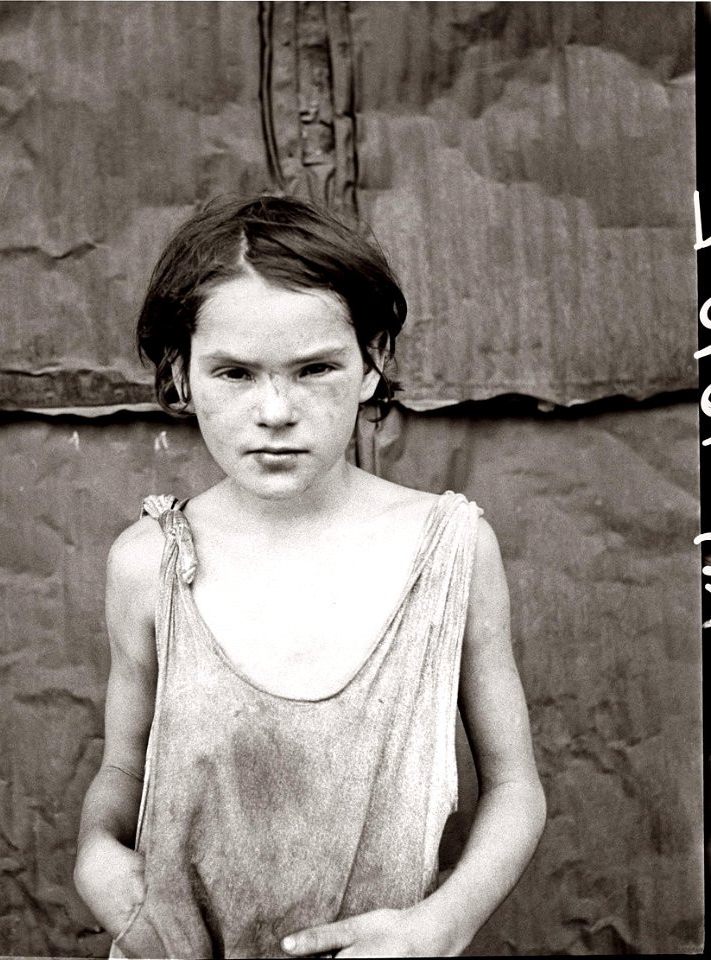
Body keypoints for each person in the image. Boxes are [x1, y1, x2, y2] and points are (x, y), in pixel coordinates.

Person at [73, 195, 546, 959]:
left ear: (372, 363)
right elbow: (126, 766)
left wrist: (441, 925)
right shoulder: (147, 563)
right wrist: (96, 846)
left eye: (315, 368)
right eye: (234, 373)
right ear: (180, 374)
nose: (276, 410)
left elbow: (515, 787)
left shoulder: (450, 550)